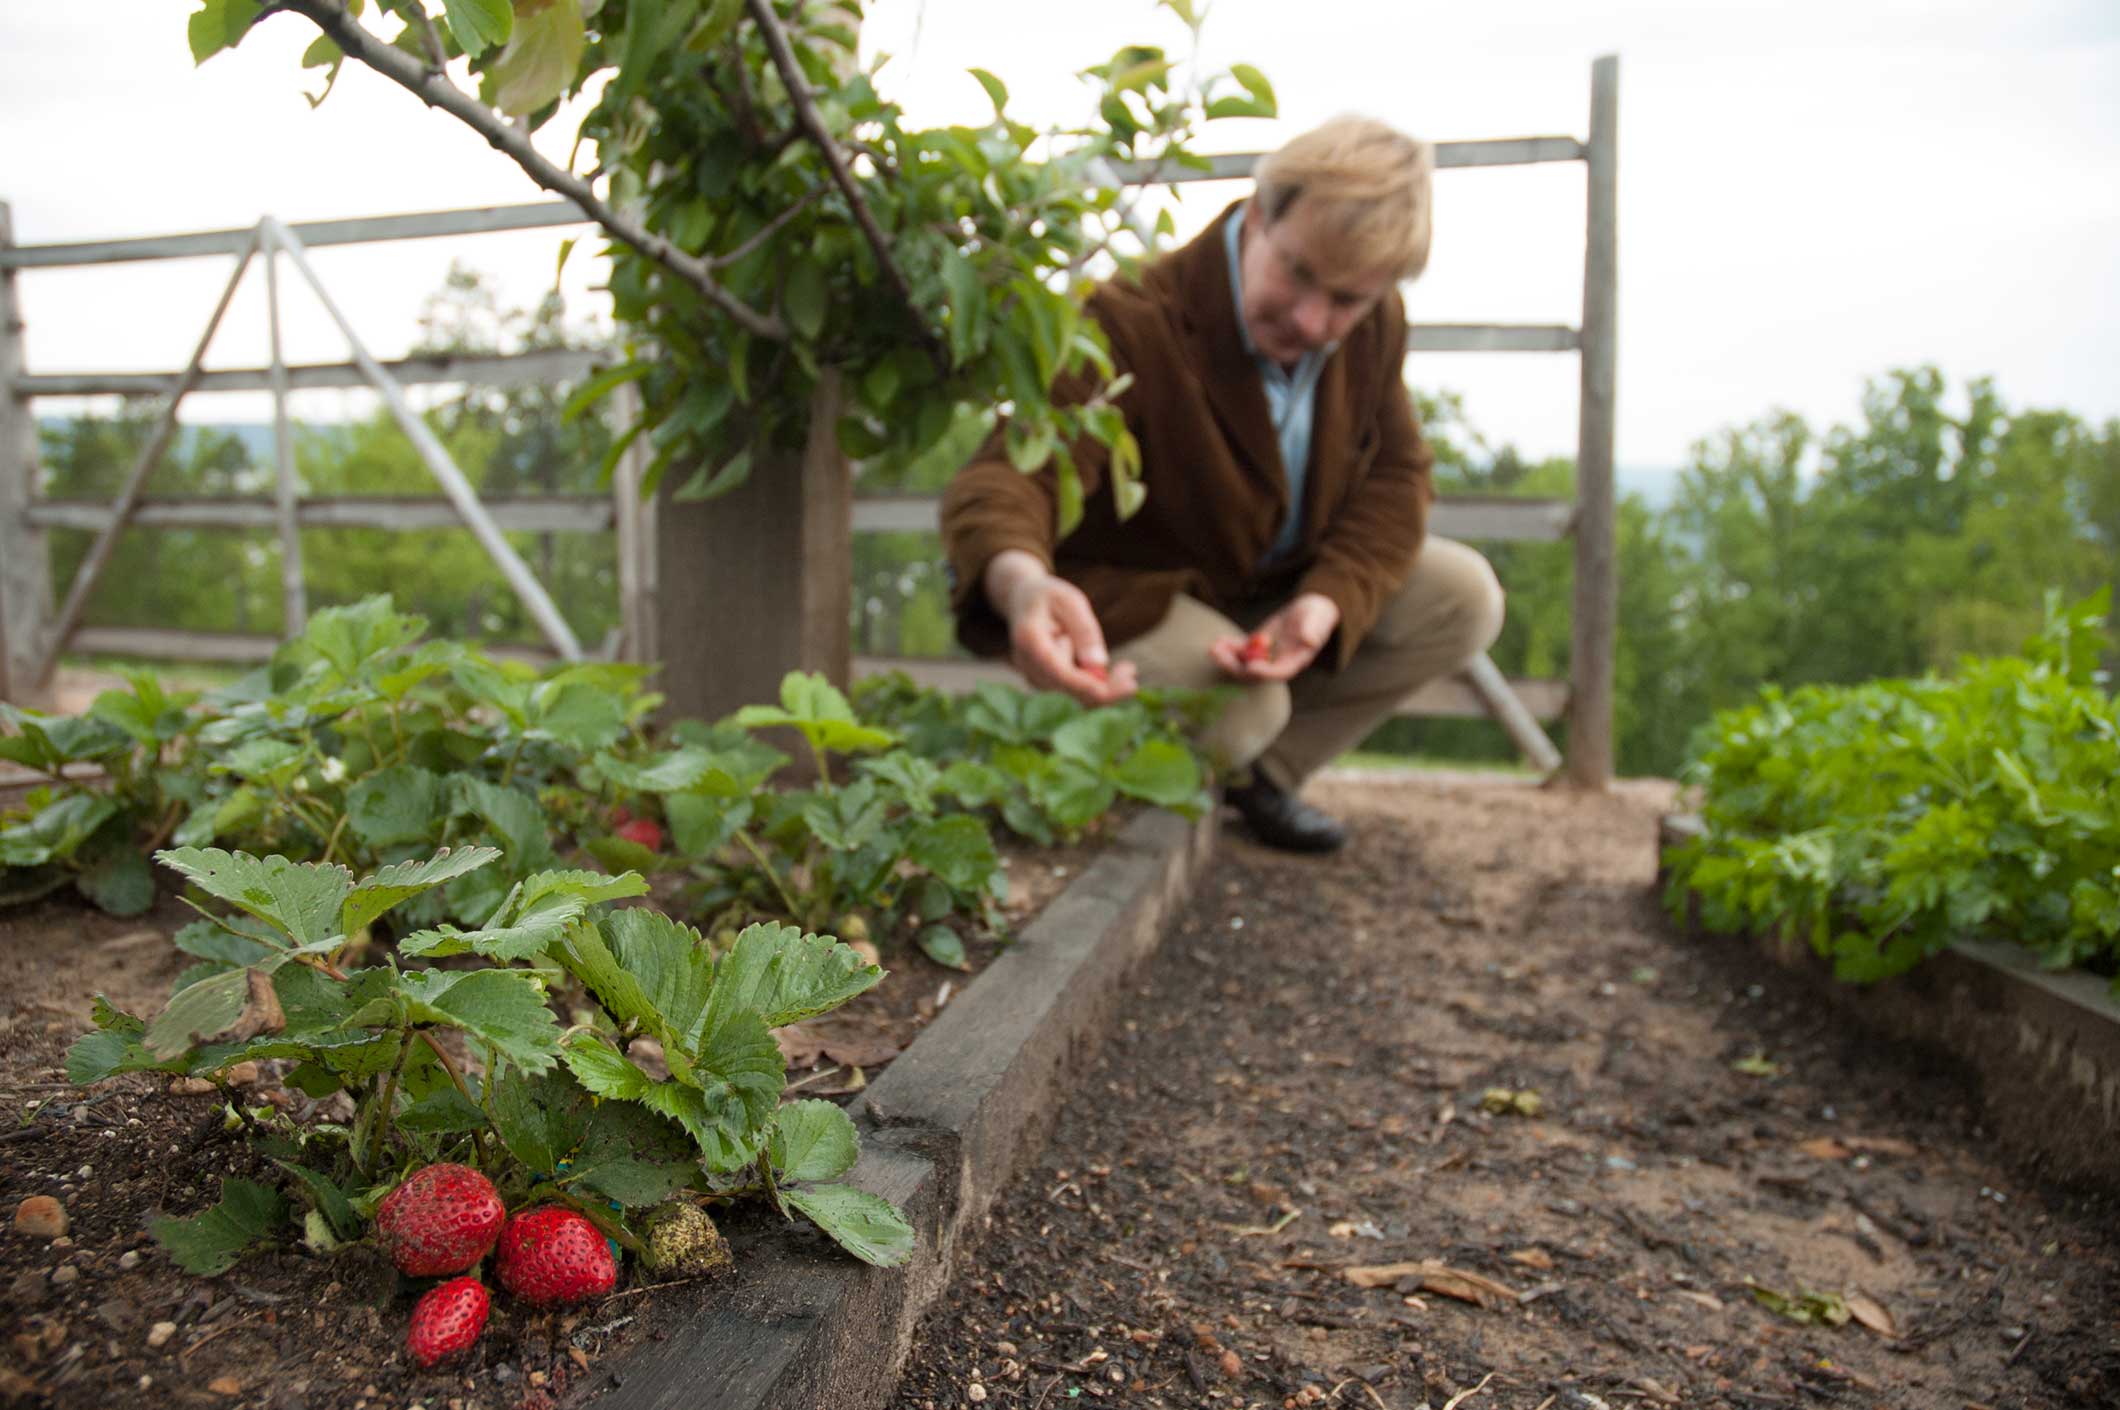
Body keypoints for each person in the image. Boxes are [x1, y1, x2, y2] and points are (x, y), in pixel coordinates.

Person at [940, 115, 1505, 853]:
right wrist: (1021, 586)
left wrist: (1326, 599)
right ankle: (1127, 768)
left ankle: (1259, 776)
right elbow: (1012, 477)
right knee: (1246, 711)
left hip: (1257, 594)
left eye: (1346, 300)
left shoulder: (1374, 325)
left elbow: (1398, 478)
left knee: (1464, 596)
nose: (1312, 320)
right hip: (1134, 597)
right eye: (1299, 273)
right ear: (1261, 210)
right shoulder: (1131, 318)